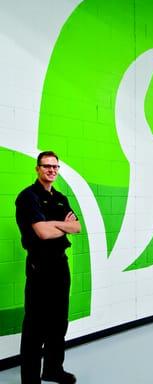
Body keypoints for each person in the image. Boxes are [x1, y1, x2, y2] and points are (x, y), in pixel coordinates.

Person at [15, 151, 81, 384]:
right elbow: (42, 233)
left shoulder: (61, 197)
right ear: (38, 168)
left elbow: (78, 227)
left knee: (59, 321)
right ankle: (30, 379)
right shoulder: (27, 197)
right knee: (35, 325)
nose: (52, 170)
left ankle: (53, 369)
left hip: (60, 265)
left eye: (55, 167)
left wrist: (52, 224)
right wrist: (63, 225)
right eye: (47, 166)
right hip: (39, 266)